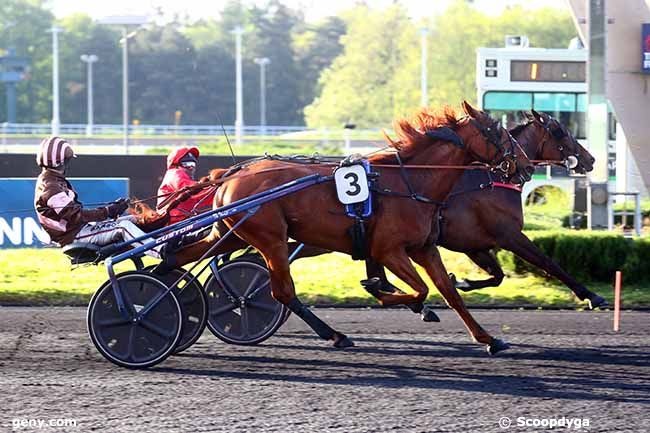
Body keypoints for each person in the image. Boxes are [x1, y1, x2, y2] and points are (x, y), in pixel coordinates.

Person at [34, 136, 162, 258]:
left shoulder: (53, 180)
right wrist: (108, 211)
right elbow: (77, 216)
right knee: (123, 227)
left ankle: (164, 239)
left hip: (79, 230)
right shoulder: (51, 187)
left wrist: (111, 209)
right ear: (63, 162)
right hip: (74, 236)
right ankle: (161, 251)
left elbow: (76, 215)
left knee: (133, 219)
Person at [157, 147, 216, 224]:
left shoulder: (192, 190)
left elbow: (206, 196)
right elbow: (186, 186)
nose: (191, 167)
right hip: (172, 225)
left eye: (193, 164)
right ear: (176, 165)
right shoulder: (174, 172)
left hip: (185, 222)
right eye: (186, 164)